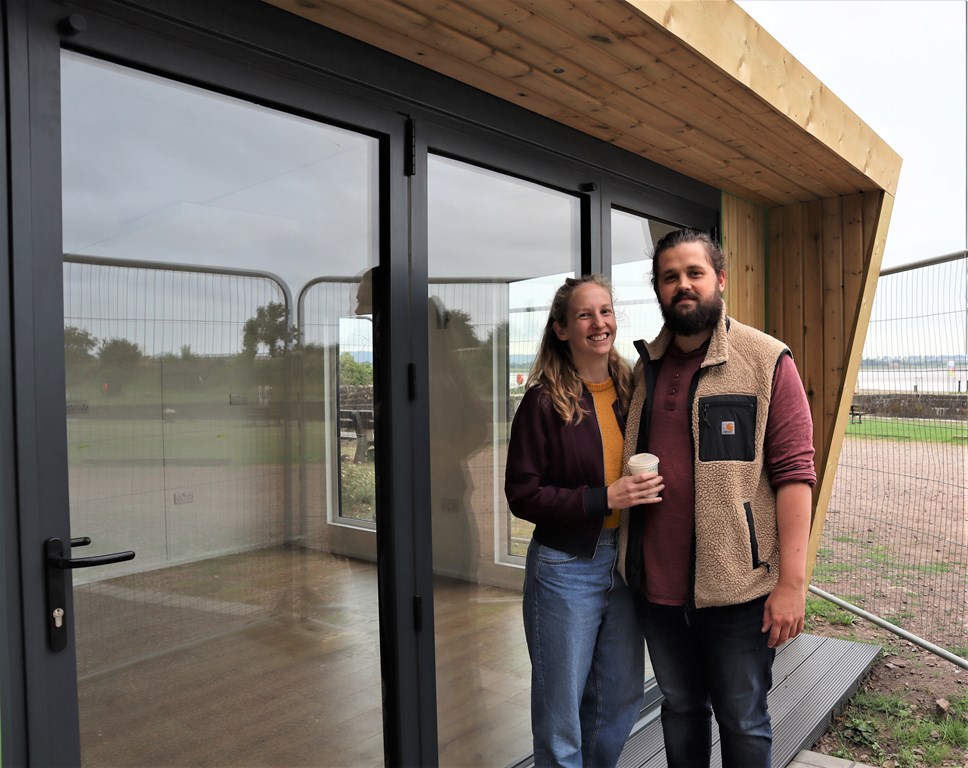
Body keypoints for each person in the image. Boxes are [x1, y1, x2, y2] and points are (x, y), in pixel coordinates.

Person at [617, 228, 817, 768]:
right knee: (680, 708)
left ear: (720, 279)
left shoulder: (766, 359)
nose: (683, 285)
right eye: (669, 276)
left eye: (694, 273)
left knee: (743, 719)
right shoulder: (647, 366)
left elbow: (796, 475)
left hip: (738, 589)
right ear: (658, 289)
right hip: (656, 589)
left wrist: (792, 584)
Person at [505, 275, 664, 768]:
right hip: (565, 566)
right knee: (561, 716)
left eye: (606, 311)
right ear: (561, 330)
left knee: (618, 699)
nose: (600, 323)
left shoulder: (631, 388)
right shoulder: (542, 402)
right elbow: (522, 494)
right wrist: (603, 497)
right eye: (584, 315)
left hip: (621, 562)